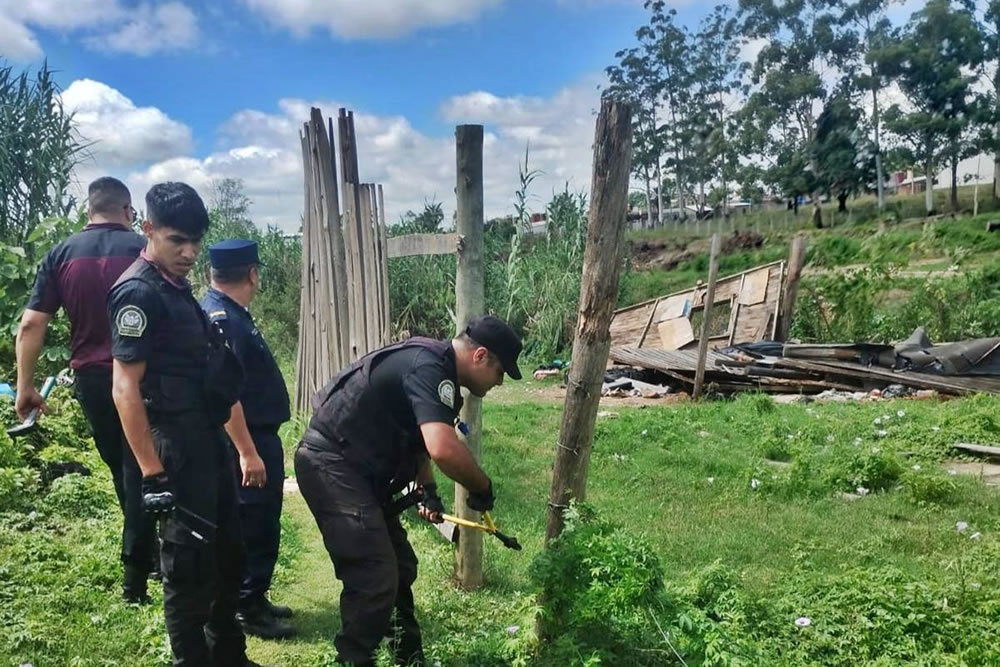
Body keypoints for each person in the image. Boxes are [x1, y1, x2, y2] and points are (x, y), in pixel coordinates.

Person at [295, 315, 523, 667]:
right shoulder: (429, 368)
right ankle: (353, 660)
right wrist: (483, 485)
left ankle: (408, 656)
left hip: (358, 472)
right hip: (333, 464)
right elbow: (442, 447)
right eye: (500, 372)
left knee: (399, 566)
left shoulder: (437, 369)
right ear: (480, 356)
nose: (499, 382)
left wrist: (429, 489)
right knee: (374, 575)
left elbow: (417, 441)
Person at [108, 182, 261, 667]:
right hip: (173, 445)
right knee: (188, 567)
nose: (190, 252)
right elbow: (124, 387)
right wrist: (152, 474)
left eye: (196, 241)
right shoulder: (138, 291)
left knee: (226, 556)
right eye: (177, 240)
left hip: (205, 439)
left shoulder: (176, 289)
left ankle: (228, 656)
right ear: (147, 228)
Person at [15, 176, 157, 603]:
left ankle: (144, 561)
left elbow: (31, 323)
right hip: (142, 375)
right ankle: (140, 570)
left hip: (93, 380)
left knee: (125, 468)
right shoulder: (144, 250)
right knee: (140, 471)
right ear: (128, 211)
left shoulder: (61, 253)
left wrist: (25, 388)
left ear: (88, 210)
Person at [200, 239, 295, 640]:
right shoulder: (226, 320)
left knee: (258, 521)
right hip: (247, 440)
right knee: (254, 524)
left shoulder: (226, 313)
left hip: (253, 437)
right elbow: (228, 393)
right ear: (253, 274)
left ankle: (254, 598)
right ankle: (248, 607)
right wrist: (247, 452)